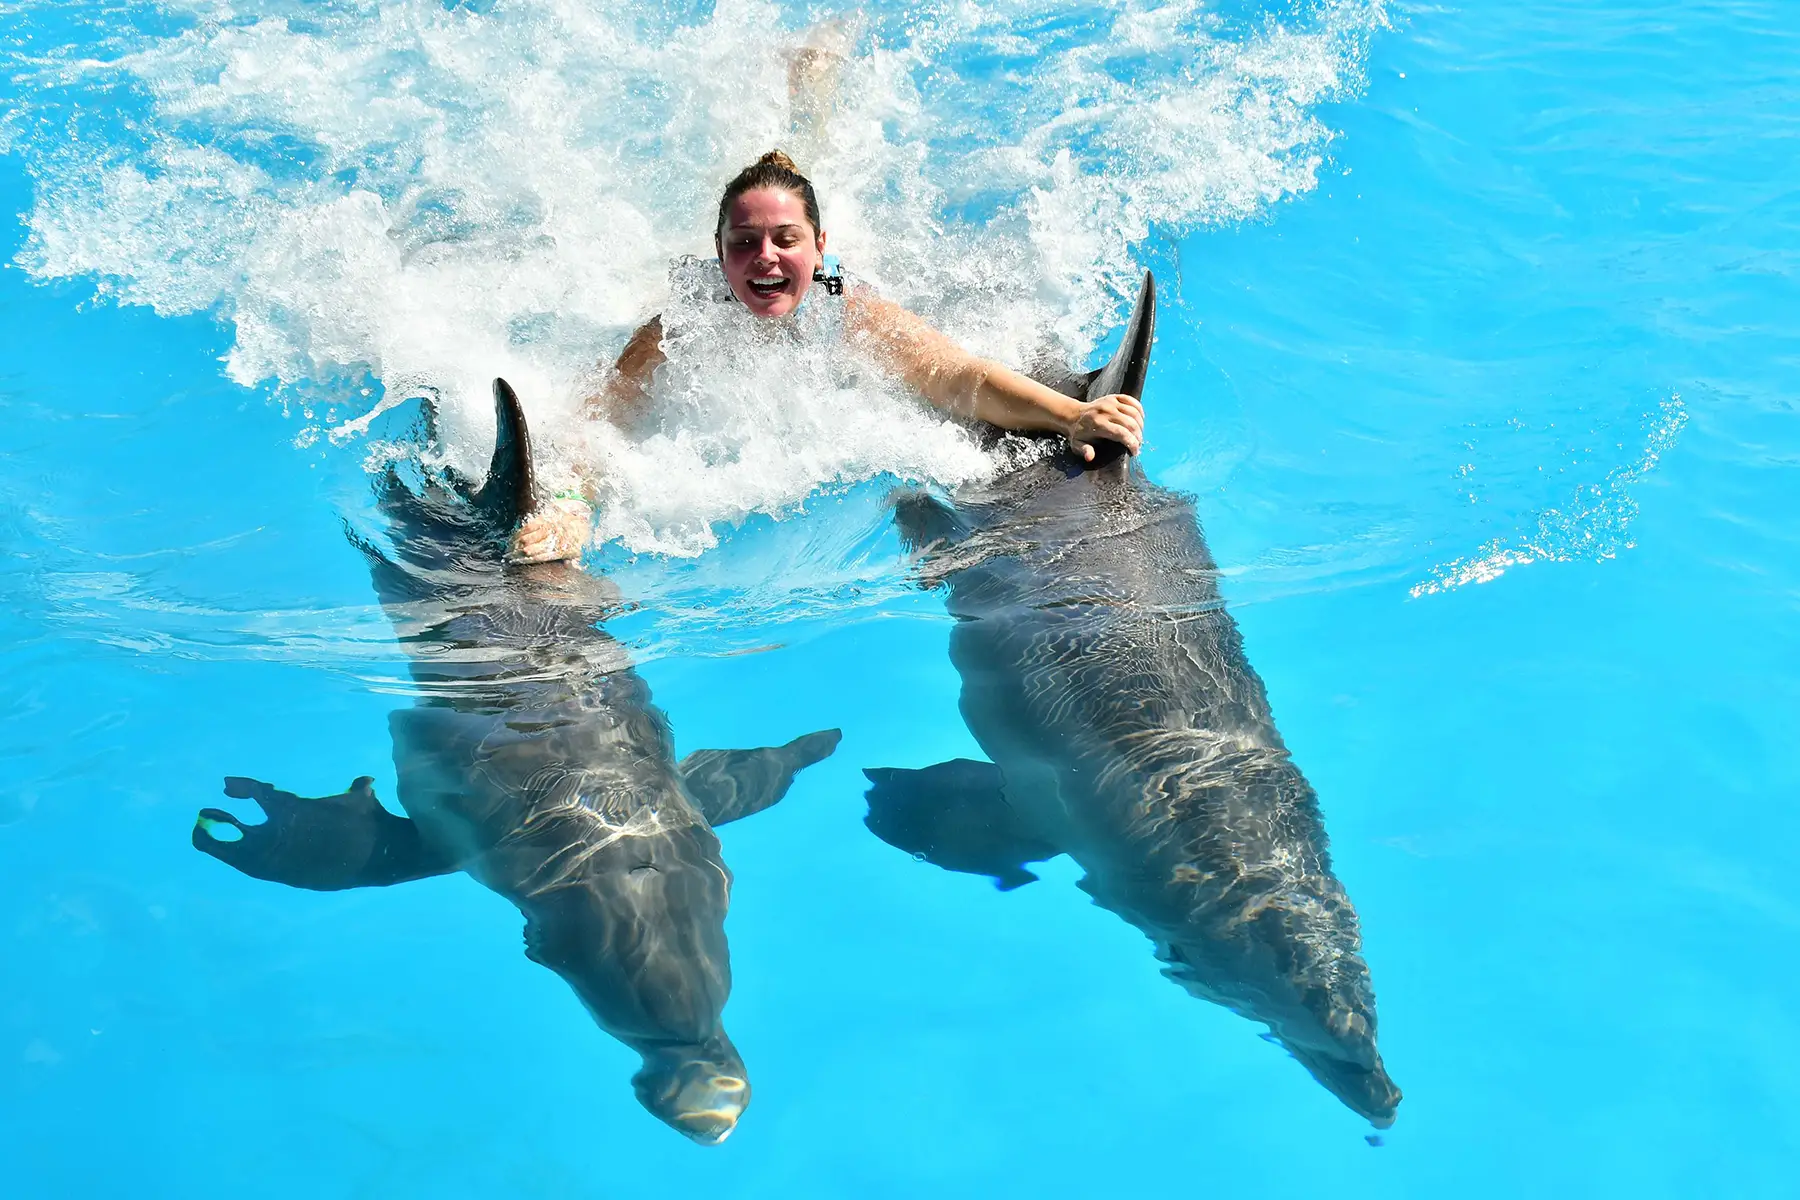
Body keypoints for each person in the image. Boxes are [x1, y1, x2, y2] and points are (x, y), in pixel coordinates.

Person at [510, 151, 1146, 563]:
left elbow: (957, 376)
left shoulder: (844, 304)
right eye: (744, 242)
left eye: (786, 240)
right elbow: (600, 417)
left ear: (818, 248)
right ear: (720, 251)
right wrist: (571, 504)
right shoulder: (680, 320)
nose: (765, 257)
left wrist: (1071, 416)